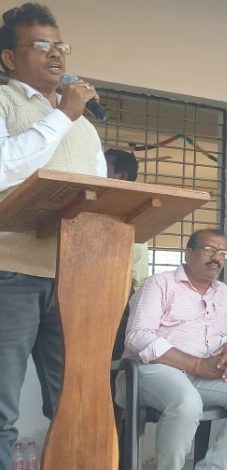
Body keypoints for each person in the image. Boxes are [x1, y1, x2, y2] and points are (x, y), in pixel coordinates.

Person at [0, 3, 106, 467]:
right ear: (9, 58)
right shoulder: (4, 103)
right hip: (11, 273)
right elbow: (4, 168)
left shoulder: (83, 124)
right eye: (41, 45)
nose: (55, 54)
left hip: (73, 279)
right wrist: (63, 116)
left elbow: (100, 193)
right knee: (1, 408)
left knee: (72, 404)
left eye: (60, 45)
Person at [119, 229, 227, 469]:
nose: (216, 257)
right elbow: (138, 337)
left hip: (200, 376)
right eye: (209, 250)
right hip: (150, 371)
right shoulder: (160, 283)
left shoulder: (222, 291)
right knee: (187, 402)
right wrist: (197, 365)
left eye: (222, 252)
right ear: (188, 253)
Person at [104, 148, 148, 291]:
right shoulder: (86, 203)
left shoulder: (134, 215)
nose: (97, 169)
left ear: (122, 176)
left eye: (104, 166)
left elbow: (138, 278)